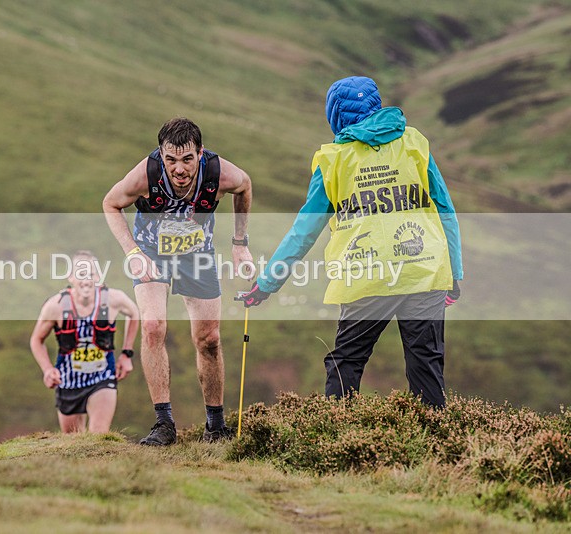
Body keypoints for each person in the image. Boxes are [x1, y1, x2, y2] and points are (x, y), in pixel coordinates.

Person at [242, 76, 463, 408]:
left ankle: (336, 441)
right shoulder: (415, 143)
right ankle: (436, 449)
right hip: (424, 271)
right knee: (426, 365)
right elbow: (445, 209)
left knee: (346, 363)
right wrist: (454, 273)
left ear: (335, 114)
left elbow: (304, 232)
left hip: (367, 274)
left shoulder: (333, 160)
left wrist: (267, 282)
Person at [103, 117, 254, 445]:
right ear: (161, 155)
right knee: (153, 326)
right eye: (170, 160)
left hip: (197, 256)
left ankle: (215, 426)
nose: (179, 169)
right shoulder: (146, 173)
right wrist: (132, 252)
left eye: (187, 159)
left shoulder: (218, 172)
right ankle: (164, 424)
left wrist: (239, 245)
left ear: (200, 154)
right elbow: (111, 203)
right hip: (151, 254)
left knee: (209, 338)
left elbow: (244, 186)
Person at [30, 250, 139, 433]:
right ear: (71, 277)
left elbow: (134, 313)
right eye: (81, 274)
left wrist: (126, 354)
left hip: (102, 376)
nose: (86, 280)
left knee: (97, 436)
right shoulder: (56, 306)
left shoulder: (113, 299)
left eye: (91, 274)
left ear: (98, 276)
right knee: (72, 441)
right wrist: (47, 369)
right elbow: (36, 339)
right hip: (68, 380)